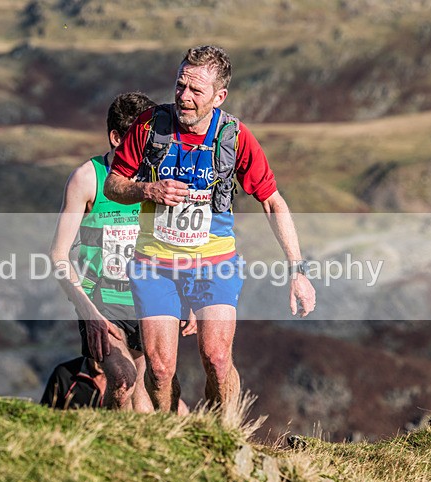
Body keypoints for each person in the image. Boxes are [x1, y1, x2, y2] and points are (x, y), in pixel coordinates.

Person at [104, 45, 317, 413]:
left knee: (217, 359)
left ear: (219, 97)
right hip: (155, 265)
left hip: (214, 264)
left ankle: (225, 434)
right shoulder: (149, 127)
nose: (183, 97)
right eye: (180, 86)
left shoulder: (234, 136)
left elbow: (272, 202)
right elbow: (113, 184)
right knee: (159, 368)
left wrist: (298, 271)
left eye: (195, 91)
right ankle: (174, 434)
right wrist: (147, 189)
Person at [49, 92, 195, 413]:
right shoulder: (87, 179)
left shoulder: (157, 178)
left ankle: (130, 454)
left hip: (147, 303)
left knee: (153, 397)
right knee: (124, 379)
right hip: (101, 304)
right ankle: (112, 446)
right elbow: (58, 256)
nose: (149, 151)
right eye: (141, 141)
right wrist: (88, 313)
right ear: (117, 137)